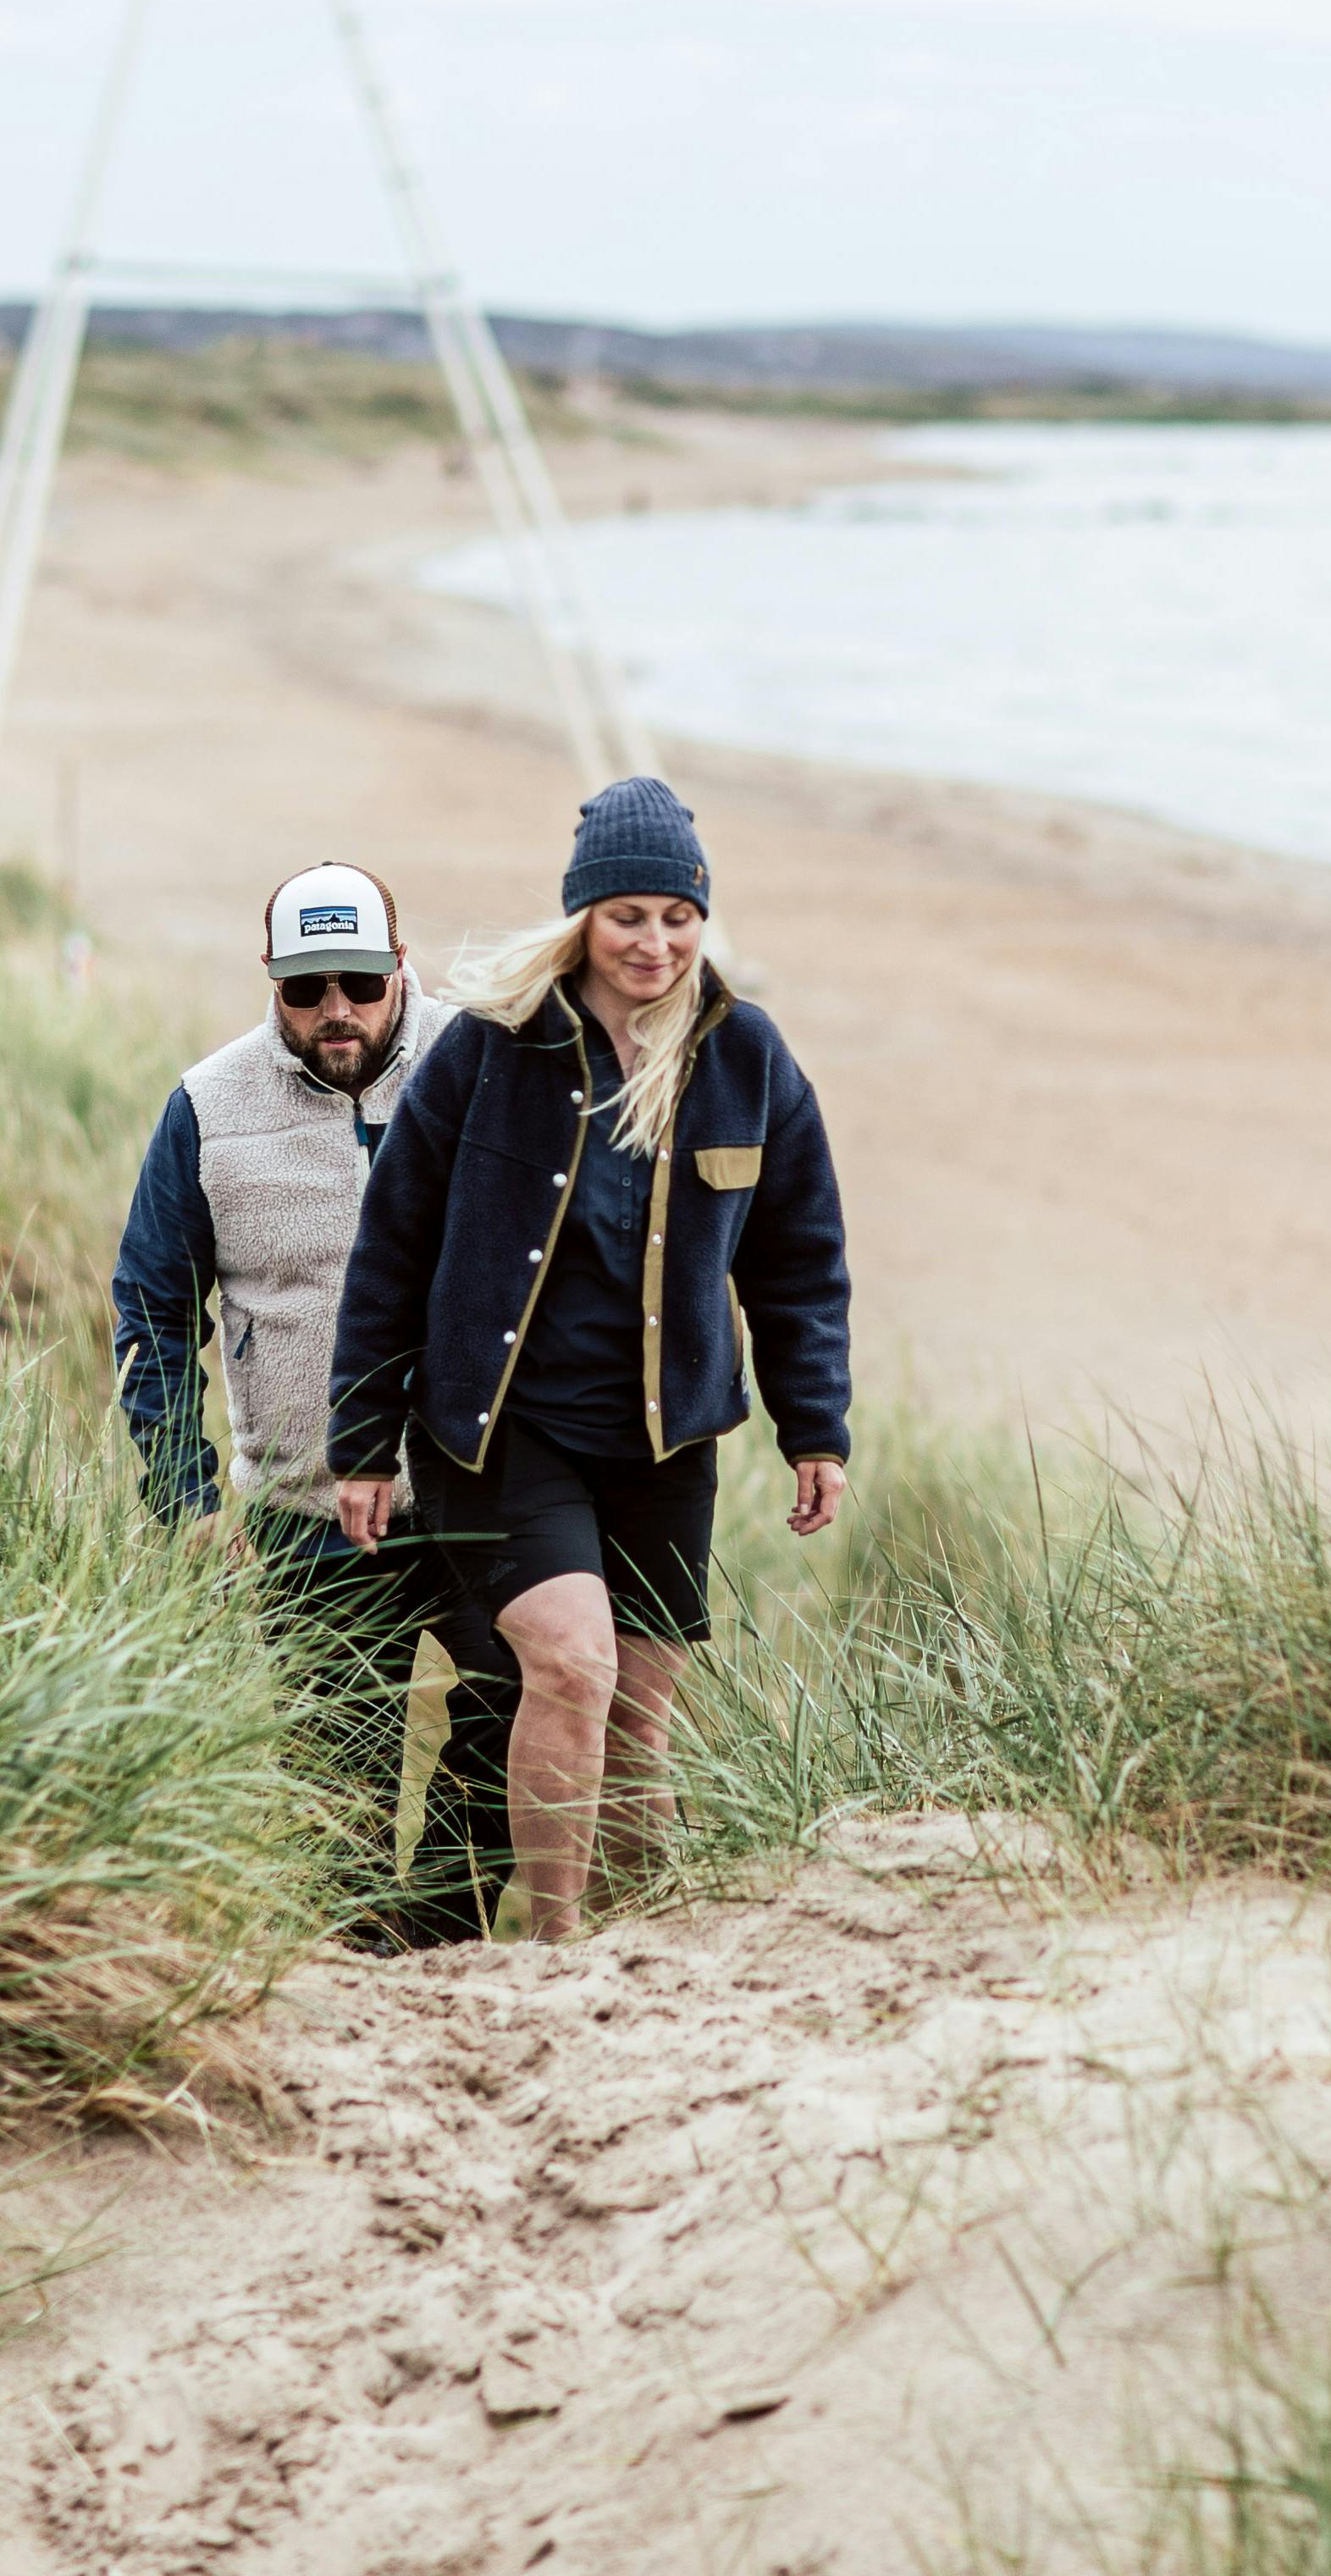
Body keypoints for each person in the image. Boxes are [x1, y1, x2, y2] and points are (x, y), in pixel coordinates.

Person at [329, 778, 851, 1943]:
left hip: (664, 1446)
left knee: (641, 1721)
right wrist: (362, 1438)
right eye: (627, 916)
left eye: (677, 915)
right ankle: (556, 1958)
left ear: (703, 919)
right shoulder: (489, 1050)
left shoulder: (745, 1058)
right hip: (502, 1430)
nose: (654, 942)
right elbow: (393, 1246)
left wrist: (813, 1425)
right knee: (570, 1665)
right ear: (582, 920)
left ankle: (640, 1950)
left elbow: (798, 1257)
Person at [110, 861, 514, 1949]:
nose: (334, 1010)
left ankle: (441, 1948)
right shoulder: (207, 1106)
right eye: (305, 987)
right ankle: (352, 1973)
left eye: (356, 982)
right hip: (308, 1509)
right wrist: (185, 1491)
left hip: (486, 1484)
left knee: (506, 1721)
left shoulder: (484, 1068)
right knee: (332, 1769)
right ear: (271, 982)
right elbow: (151, 1309)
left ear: (398, 968)